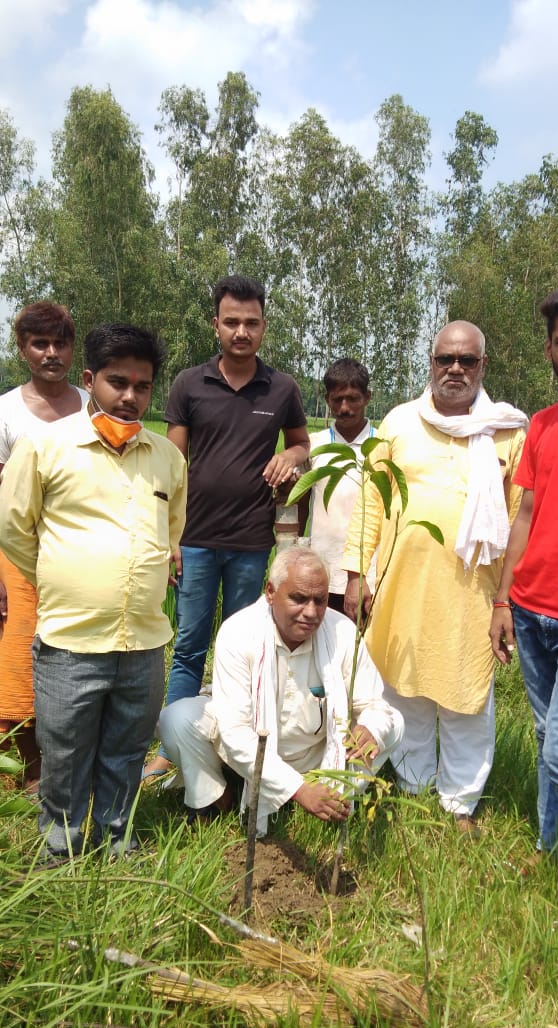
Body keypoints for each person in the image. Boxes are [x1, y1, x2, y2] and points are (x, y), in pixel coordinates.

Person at [0, 323, 187, 859]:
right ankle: (61, 846)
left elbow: (171, 529)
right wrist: (63, 576)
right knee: (63, 750)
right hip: (70, 640)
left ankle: (117, 838)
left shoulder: (166, 458)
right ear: (90, 380)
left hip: (143, 642)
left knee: (127, 749)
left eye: (143, 385)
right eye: (116, 381)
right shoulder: (44, 448)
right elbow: (14, 529)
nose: (130, 396)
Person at [343, 321, 528, 834]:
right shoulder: (400, 422)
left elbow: (519, 522)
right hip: (402, 585)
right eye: (445, 358)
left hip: (474, 593)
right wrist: (357, 574)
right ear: (431, 362)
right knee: (405, 689)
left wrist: (507, 600)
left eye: (466, 361)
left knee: (467, 696)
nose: (455, 369)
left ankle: (460, 802)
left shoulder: (508, 431)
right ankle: (414, 785)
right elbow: (371, 502)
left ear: (482, 367)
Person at [145, 274, 310, 781]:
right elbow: (172, 463)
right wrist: (169, 537)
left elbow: (302, 445)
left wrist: (292, 456)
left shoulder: (281, 388)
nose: (242, 331)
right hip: (195, 540)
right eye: (232, 322)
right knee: (191, 644)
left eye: (252, 323)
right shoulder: (190, 384)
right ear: (215, 324)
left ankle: (234, 746)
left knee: (242, 647)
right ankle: (172, 750)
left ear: (264, 327)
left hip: (250, 542)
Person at [159, 547, 404, 835]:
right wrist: (298, 790)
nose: (311, 612)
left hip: (318, 758)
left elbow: (373, 700)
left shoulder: (342, 631)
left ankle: (334, 798)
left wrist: (369, 728)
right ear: (270, 592)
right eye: (298, 599)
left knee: (392, 725)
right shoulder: (239, 633)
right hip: (249, 753)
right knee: (178, 718)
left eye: (320, 600)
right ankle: (215, 798)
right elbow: (236, 733)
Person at [489, 285, 558, 933]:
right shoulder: (542, 427)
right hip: (531, 609)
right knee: (548, 740)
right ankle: (547, 847)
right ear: (549, 350)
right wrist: (502, 597)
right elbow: (524, 515)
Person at [0, 301, 88, 785]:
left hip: (77, 550)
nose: (51, 353)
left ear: (73, 349)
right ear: (22, 349)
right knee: (18, 656)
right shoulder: (7, 411)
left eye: (60, 343)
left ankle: (68, 769)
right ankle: (26, 775)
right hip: (19, 555)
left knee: (70, 657)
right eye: (40, 344)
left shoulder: (89, 406)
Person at [298, 358, 378, 613]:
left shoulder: (382, 446)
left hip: (371, 572)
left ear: (367, 397)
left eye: (353, 398)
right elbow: (300, 502)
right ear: (327, 399)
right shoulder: (314, 445)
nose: (345, 407)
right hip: (324, 568)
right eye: (337, 399)